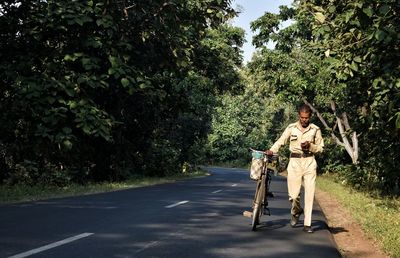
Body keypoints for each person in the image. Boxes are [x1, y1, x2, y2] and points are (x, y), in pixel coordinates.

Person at [266, 104, 324, 233]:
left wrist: (310, 146)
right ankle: (296, 211)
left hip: (309, 161)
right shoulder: (291, 128)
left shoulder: (315, 129)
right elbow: (281, 140)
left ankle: (307, 224)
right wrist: (272, 150)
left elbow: (321, 148)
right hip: (294, 162)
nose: (304, 120)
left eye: (307, 118)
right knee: (293, 195)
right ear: (299, 116)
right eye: (302, 117)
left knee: (309, 194)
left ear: (310, 117)